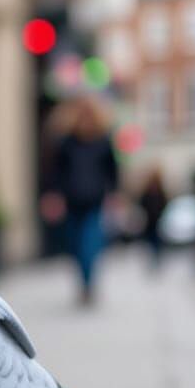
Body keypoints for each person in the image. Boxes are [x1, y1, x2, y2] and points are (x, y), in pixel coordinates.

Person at [40, 95, 119, 305]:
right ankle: (83, 283)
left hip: (94, 200)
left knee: (90, 244)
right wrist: (53, 196)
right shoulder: (66, 142)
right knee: (75, 246)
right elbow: (55, 172)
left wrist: (114, 196)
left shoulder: (103, 141)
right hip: (72, 201)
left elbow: (112, 172)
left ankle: (88, 285)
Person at [138, 164, 169, 270]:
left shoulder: (156, 189)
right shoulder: (156, 189)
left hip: (154, 220)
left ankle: (155, 260)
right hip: (154, 221)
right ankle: (154, 260)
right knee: (154, 242)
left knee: (153, 242)